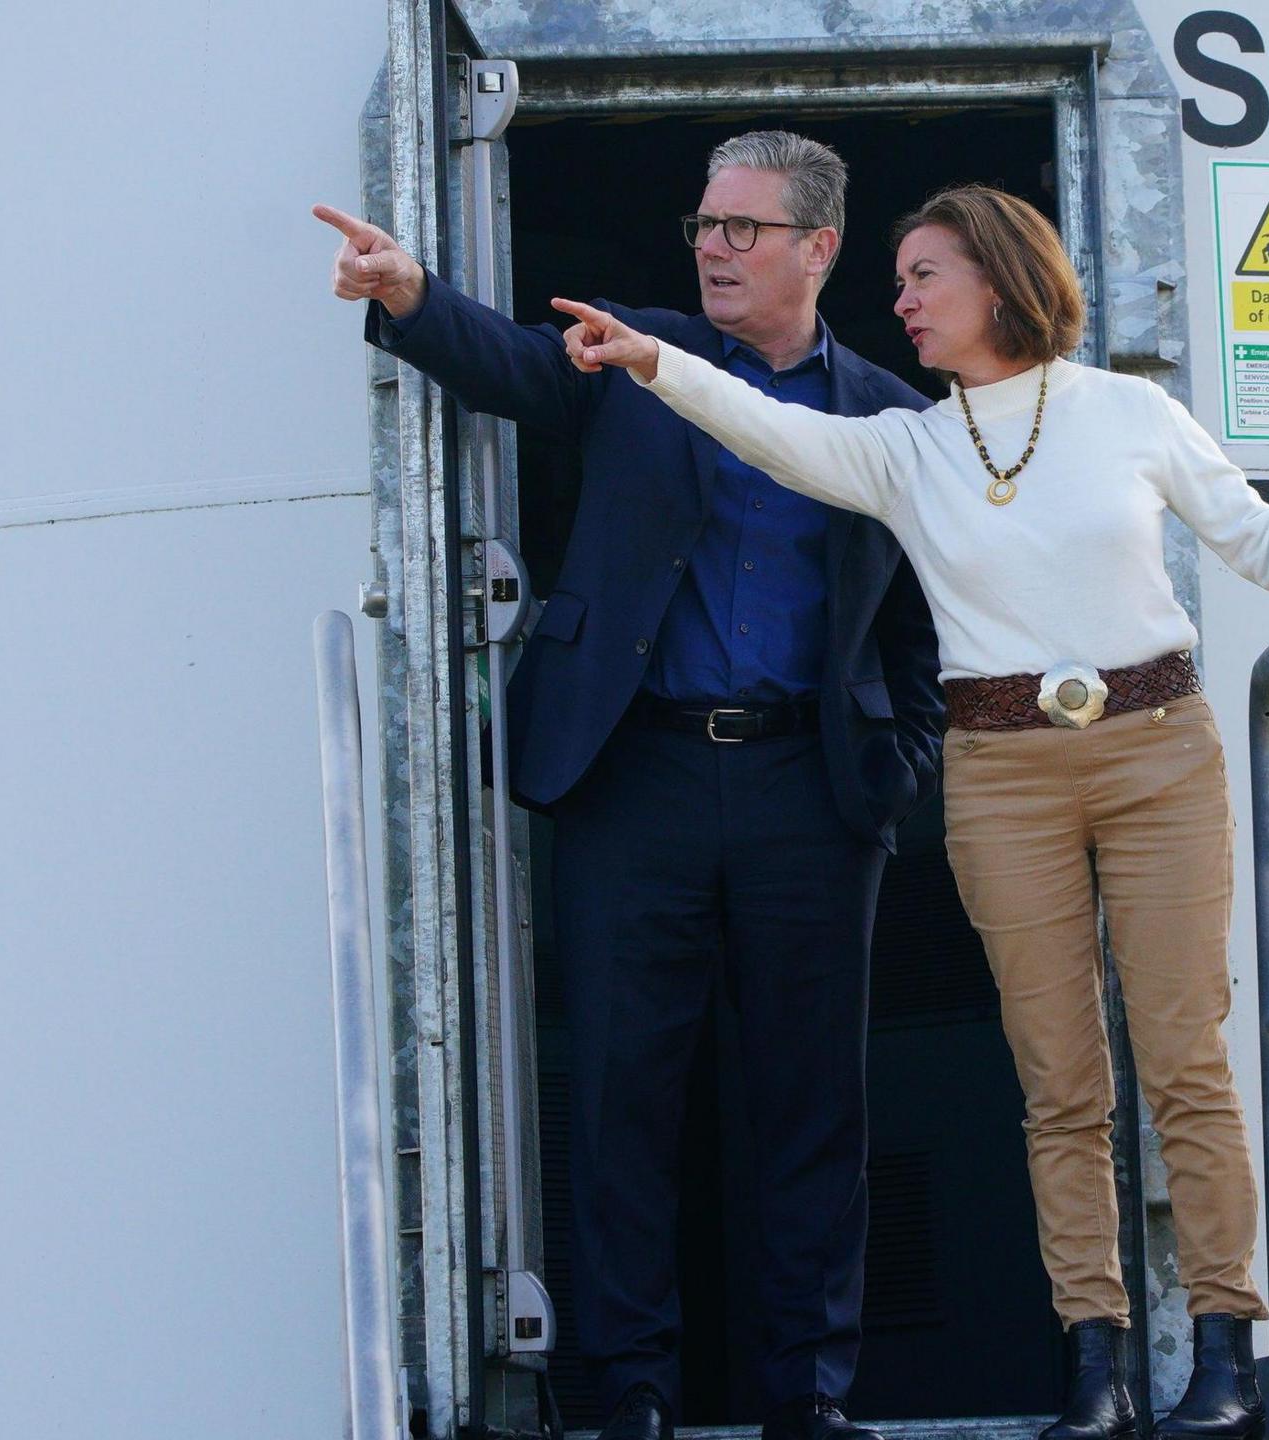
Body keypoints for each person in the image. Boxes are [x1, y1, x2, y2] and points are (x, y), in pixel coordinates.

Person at [548, 183, 1269, 1440]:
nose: (898, 303)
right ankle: (1093, 1367)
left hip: (1158, 752)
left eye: (920, 277)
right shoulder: (907, 445)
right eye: (895, 281)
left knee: (1185, 1060)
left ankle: (1224, 1354)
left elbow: (1262, 539)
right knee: (1058, 1082)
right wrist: (655, 359)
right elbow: (765, 428)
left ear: (995, 280)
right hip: (1000, 768)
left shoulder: (1128, 412)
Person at [314, 132, 943, 1440]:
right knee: (617, 1105)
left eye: (742, 231)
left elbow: (925, 628)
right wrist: (413, 293)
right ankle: (631, 1398)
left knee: (814, 1113)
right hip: (635, 777)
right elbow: (518, 366)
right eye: (704, 226)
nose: (712, 249)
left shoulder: (893, 416)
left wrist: (897, 771)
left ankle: (808, 1401)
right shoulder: (644, 349)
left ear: (818, 247)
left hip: (812, 797)